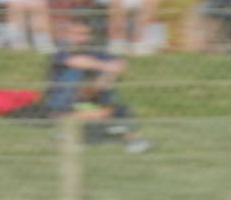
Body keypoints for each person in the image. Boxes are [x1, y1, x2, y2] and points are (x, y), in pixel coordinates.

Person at [41, 18, 152, 153]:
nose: (81, 39)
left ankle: (132, 139)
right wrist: (105, 66)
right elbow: (76, 62)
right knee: (73, 72)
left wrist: (106, 75)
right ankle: (78, 127)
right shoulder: (60, 50)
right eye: (76, 34)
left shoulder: (93, 50)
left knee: (110, 85)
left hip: (92, 99)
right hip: (64, 103)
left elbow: (120, 64)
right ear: (66, 35)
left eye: (85, 34)